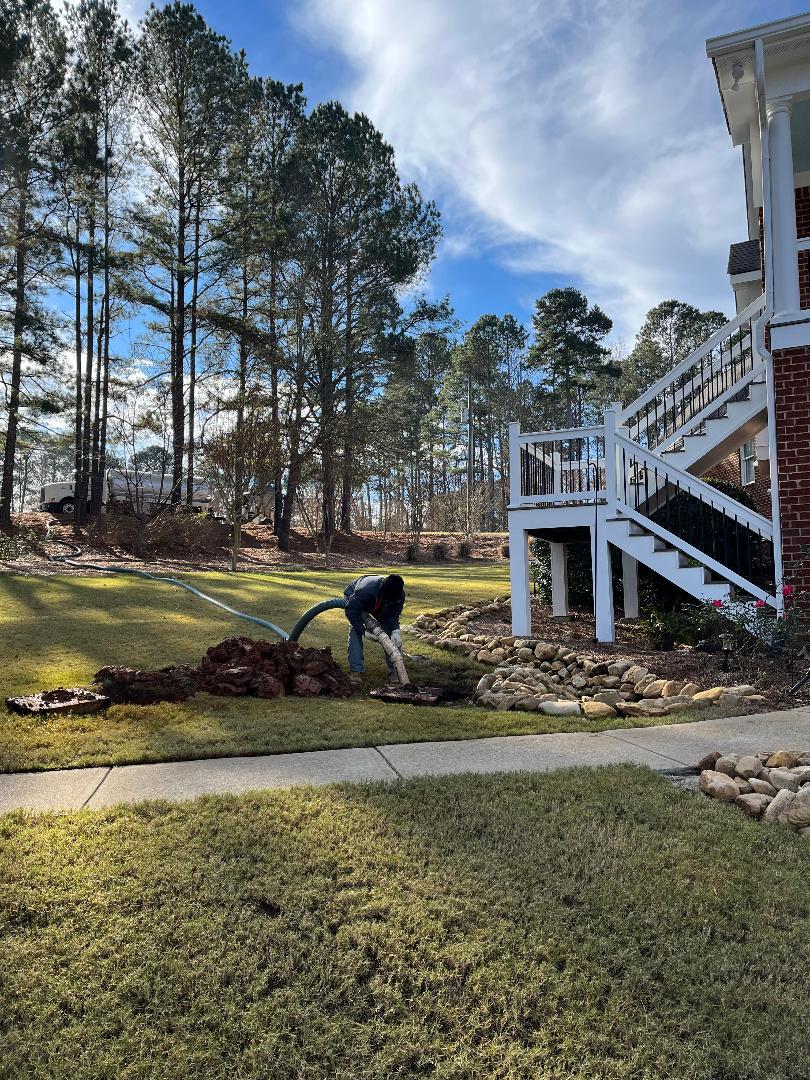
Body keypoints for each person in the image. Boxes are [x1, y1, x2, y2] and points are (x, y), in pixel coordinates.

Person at [343, 573, 406, 685]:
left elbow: (393, 615)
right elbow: (351, 611)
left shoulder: (399, 595)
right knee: (355, 631)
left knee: (390, 632)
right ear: (383, 593)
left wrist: (395, 631)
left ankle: (395, 670)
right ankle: (356, 671)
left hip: (378, 604)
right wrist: (363, 631)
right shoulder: (365, 590)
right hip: (356, 599)